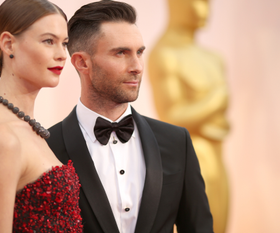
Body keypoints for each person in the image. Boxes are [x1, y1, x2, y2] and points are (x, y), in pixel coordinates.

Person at [46, 1, 214, 232]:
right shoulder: (45, 147)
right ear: (82, 62)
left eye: (139, 52)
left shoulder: (177, 142)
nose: (137, 66)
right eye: (121, 53)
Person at [0, 0, 83, 232]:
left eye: (64, 43)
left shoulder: (22, 127)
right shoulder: (1, 139)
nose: (62, 55)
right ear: (9, 44)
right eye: (48, 41)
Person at [147, 0, 230, 232]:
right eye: (198, 1)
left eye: (208, 2)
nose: (204, 10)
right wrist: (216, 101)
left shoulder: (214, 59)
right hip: (194, 156)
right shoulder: (165, 55)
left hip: (218, 157)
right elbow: (171, 117)